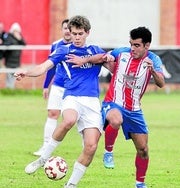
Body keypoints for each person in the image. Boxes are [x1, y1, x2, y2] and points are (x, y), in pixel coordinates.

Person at [14, 15, 108, 188]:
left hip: (93, 102)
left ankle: (71, 185)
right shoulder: (64, 50)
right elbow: (43, 67)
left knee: (91, 146)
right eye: (74, 34)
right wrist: (26, 72)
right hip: (72, 97)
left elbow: (111, 64)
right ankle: (42, 159)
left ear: (87, 33)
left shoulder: (95, 50)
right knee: (69, 120)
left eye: (80, 34)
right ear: (69, 34)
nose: (77, 37)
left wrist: (111, 60)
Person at [67, 26, 165, 188]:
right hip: (113, 102)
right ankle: (108, 152)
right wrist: (85, 60)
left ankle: (140, 183)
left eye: (137, 45)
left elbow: (161, 83)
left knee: (143, 150)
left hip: (134, 109)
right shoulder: (122, 52)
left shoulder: (154, 60)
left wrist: (153, 71)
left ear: (147, 45)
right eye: (131, 44)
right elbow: (102, 57)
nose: (132, 48)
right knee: (116, 119)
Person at [33, 19, 72, 156]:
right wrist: (46, 86)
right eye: (65, 28)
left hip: (73, 88)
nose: (67, 31)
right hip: (58, 85)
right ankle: (45, 146)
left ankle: (88, 146)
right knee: (52, 114)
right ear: (61, 30)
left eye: (69, 28)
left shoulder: (78, 47)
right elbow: (51, 66)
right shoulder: (56, 45)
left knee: (76, 118)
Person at [4, 22, 26, 89]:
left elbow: (24, 44)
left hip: (16, 61)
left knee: (14, 75)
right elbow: (6, 44)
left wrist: (19, 39)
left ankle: (11, 88)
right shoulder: (9, 36)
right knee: (9, 75)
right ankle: (8, 88)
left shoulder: (19, 37)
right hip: (9, 61)